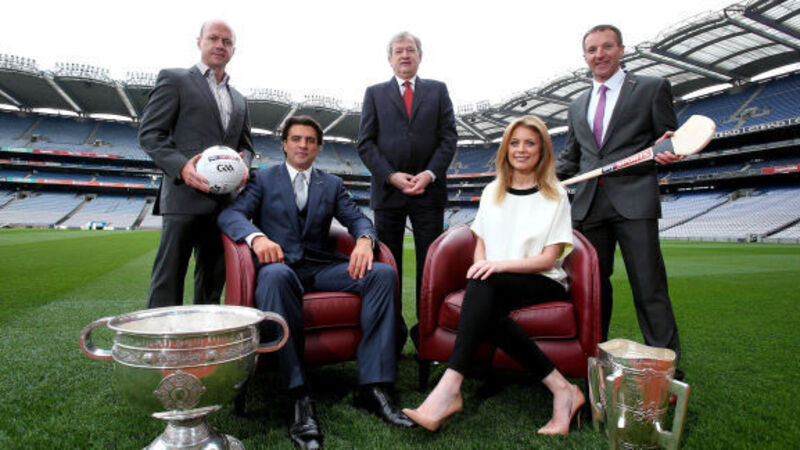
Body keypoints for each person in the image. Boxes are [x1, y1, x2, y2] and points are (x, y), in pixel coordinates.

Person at [218, 116, 415, 449]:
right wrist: (256, 237)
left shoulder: (331, 184)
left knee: (382, 274)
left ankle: (373, 386)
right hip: (279, 268)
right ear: (284, 144)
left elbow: (357, 219)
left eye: (310, 140)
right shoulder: (262, 179)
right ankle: (298, 396)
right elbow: (231, 215)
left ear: (319, 147)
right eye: (296, 139)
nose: (303, 145)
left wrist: (364, 239)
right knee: (277, 277)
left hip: (321, 267)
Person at [403, 115, 584, 435]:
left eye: (530, 143)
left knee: (483, 284)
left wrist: (496, 267)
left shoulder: (555, 194)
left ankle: (449, 389)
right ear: (505, 149)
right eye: (514, 143)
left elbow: (548, 259)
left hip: (543, 279)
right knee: (485, 298)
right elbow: (481, 246)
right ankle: (562, 388)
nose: (521, 149)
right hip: (497, 281)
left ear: (542, 150)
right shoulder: (492, 191)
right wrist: (483, 267)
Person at [556, 24, 683, 374]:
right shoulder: (576, 104)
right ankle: (593, 357)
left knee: (648, 285)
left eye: (607, 47)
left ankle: (666, 366)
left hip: (634, 201)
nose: (599, 54)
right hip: (587, 205)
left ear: (621, 50)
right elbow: (572, 157)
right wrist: (538, 178)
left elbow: (668, 139)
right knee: (592, 288)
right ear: (584, 56)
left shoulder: (652, 88)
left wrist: (670, 148)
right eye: (592, 49)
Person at [139, 20, 253, 308]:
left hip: (225, 203)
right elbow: (151, 134)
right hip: (183, 197)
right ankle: (163, 334)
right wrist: (181, 167)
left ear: (234, 49)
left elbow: (246, 146)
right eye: (213, 38)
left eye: (227, 41)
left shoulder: (239, 99)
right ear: (199, 42)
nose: (220, 45)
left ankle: (206, 332)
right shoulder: (174, 79)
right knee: (168, 279)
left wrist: (244, 166)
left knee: (212, 285)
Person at [357, 31, 458, 348]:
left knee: (431, 267)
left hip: (429, 192)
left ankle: (427, 335)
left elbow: (449, 138)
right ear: (390, 59)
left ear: (419, 56)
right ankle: (392, 335)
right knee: (389, 267)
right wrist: (390, 176)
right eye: (399, 51)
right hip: (389, 193)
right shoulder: (374, 93)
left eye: (410, 50)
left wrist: (429, 174)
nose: (405, 55)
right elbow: (365, 143)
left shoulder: (438, 90)